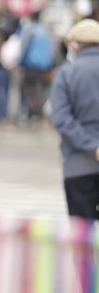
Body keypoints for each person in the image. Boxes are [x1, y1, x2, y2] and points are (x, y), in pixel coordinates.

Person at [51, 19, 99, 220]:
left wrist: (92, 146)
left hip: (78, 167)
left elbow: (62, 119)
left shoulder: (65, 74)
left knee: (82, 240)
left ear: (74, 45)